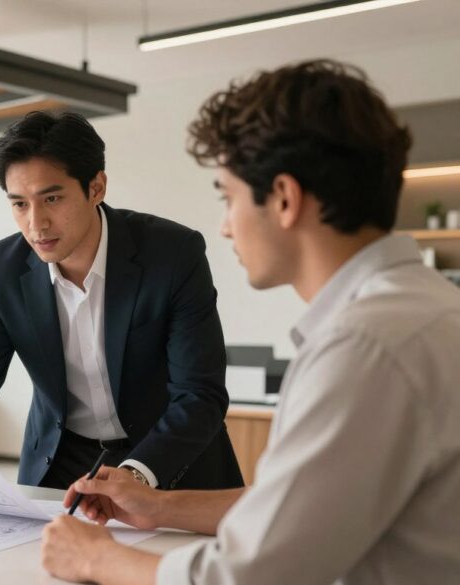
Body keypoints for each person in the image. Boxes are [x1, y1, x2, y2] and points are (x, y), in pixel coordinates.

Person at [41, 59, 460, 584]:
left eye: (228, 196)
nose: (224, 226)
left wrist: (96, 558)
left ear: (284, 198)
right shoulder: (417, 311)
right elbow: (300, 512)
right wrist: (159, 508)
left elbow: (249, 575)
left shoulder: (365, 347)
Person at [0, 111, 243, 491]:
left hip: (166, 461)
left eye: (52, 198)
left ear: (96, 188)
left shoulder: (173, 253)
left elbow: (199, 395)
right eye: (20, 204)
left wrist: (135, 475)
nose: (36, 223)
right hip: (62, 462)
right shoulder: (2, 269)